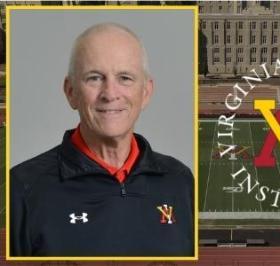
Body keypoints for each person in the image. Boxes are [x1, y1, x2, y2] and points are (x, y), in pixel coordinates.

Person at [10, 23, 194, 257]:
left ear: (146, 92)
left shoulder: (180, 181)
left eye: (125, 78)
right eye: (94, 78)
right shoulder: (23, 188)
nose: (110, 93)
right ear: (70, 92)